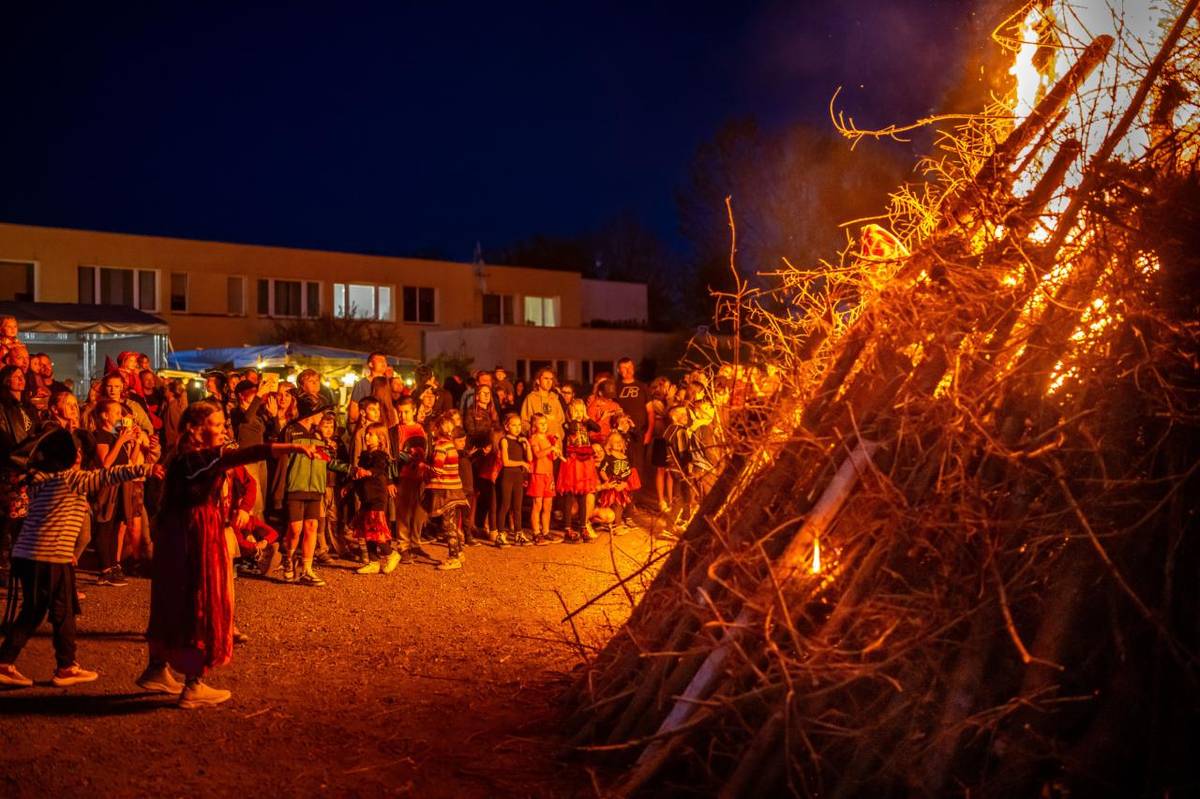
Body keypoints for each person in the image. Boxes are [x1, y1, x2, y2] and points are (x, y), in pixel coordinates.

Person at [140, 400, 317, 708]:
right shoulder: (196, 458)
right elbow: (244, 454)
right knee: (199, 598)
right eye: (217, 425)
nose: (223, 430)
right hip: (195, 530)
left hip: (175, 532)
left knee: (172, 596)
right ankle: (193, 685)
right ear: (195, 429)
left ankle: (157, 668)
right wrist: (291, 447)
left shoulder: (180, 454)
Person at [0, 430, 159, 689]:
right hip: (49, 556)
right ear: (69, 456)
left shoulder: (39, 478)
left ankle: (15, 663)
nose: (80, 454)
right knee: (60, 611)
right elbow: (107, 475)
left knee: (40, 610)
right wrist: (147, 468)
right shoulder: (71, 479)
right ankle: (63, 666)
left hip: (30, 555)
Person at [279, 395, 358, 586]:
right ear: (312, 413)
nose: (322, 415)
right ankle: (288, 558)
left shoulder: (320, 435)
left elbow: (327, 461)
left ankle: (307, 569)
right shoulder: (291, 431)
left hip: (316, 487)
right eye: (320, 412)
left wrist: (351, 469)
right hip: (295, 486)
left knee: (312, 527)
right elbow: (282, 461)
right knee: (295, 529)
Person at [0, 364, 37, 581]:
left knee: (22, 520)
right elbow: (5, 438)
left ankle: (17, 563)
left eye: (22, 376)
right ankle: (4, 565)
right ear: (6, 381)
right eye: (15, 376)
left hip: (27, 467)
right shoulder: (4, 407)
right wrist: (17, 455)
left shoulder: (26, 407)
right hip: (11, 468)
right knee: (9, 520)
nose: (20, 379)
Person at [352, 422, 401, 575]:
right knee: (367, 530)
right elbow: (358, 474)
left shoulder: (381, 456)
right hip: (365, 496)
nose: (367, 436)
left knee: (376, 529)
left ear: (380, 439)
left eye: (371, 434)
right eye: (366, 433)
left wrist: (367, 472)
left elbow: (379, 469)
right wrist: (350, 485)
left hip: (377, 496)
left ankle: (391, 554)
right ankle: (373, 562)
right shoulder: (365, 455)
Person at [423, 412, 470, 571]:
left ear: (438, 429)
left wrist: (423, 467)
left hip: (446, 491)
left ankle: (453, 556)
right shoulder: (451, 446)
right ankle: (459, 552)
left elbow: (437, 470)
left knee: (447, 524)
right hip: (454, 489)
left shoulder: (441, 447)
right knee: (451, 523)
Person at [558, 399, 601, 542]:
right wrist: (575, 418)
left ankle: (583, 526)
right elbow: (571, 430)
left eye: (581, 409)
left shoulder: (586, 423)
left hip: (585, 461)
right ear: (570, 411)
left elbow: (597, 428)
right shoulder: (568, 424)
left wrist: (586, 417)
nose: (579, 412)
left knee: (584, 494)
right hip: (573, 461)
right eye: (575, 409)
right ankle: (567, 528)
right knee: (570, 495)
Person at [614, 357, 653, 492]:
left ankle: (635, 497)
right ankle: (623, 497)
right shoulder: (615, 387)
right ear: (619, 370)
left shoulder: (642, 387)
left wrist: (649, 432)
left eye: (630, 367)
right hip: (621, 434)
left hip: (639, 433)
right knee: (622, 464)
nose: (628, 370)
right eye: (624, 368)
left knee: (638, 465)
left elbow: (650, 412)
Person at [495, 413, 531, 547]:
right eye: (514, 425)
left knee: (517, 506)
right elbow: (505, 462)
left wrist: (527, 444)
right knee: (505, 505)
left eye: (519, 425)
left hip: (518, 476)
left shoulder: (520, 441)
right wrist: (521, 463)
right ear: (506, 426)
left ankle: (518, 533)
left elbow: (530, 458)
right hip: (507, 475)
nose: (517, 428)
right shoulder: (504, 441)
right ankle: (500, 534)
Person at [596, 431, 641, 533]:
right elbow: (602, 471)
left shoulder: (625, 457)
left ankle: (619, 521)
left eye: (620, 441)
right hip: (612, 485)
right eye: (616, 442)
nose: (619, 443)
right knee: (616, 503)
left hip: (622, 485)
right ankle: (616, 524)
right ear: (609, 444)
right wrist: (608, 481)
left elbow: (628, 472)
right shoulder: (609, 458)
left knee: (624, 502)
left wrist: (625, 483)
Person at [526, 413, 559, 544]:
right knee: (537, 504)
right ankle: (536, 532)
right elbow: (538, 454)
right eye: (541, 423)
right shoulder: (533, 438)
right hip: (538, 474)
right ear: (534, 425)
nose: (544, 426)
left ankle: (546, 531)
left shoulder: (548, 438)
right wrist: (550, 448)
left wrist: (555, 451)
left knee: (548, 505)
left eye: (545, 423)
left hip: (548, 474)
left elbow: (552, 457)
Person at [520, 368, 565, 442]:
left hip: (555, 443)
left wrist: (559, 434)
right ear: (538, 381)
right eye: (546, 378)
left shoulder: (555, 398)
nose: (549, 382)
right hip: (538, 445)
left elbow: (561, 420)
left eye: (551, 379)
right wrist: (533, 434)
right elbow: (524, 421)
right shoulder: (531, 398)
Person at [348, 352, 390, 428]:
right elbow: (353, 413)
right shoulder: (362, 384)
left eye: (385, 361)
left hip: (387, 427)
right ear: (371, 364)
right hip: (368, 428)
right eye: (380, 361)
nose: (384, 363)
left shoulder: (389, 383)